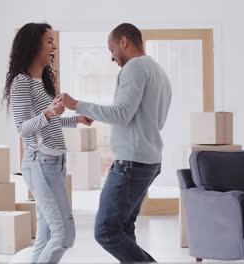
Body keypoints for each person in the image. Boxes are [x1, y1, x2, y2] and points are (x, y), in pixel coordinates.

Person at [56, 23, 172, 263]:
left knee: (106, 231)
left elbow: (121, 114)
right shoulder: (158, 71)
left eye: (112, 49)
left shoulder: (134, 68)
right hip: (148, 160)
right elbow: (150, 120)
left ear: (124, 41)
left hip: (132, 163)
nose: (111, 57)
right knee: (124, 230)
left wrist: (77, 104)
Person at [2, 22, 93, 264]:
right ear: (33, 45)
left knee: (45, 235)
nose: (54, 45)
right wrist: (50, 112)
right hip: (40, 163)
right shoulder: (21, 82)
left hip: (56, 163)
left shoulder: (42, 80)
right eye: (49, 40)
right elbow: (23, 128)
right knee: (64, 235)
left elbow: (50, 122)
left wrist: (76, 120)